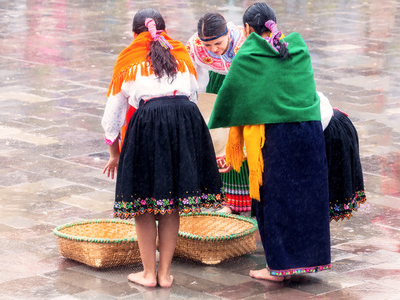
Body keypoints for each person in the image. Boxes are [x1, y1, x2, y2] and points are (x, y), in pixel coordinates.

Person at [208, 2, 331, 281]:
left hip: (276, 138)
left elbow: (231, 100)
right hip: (309, 133)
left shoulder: (249, 53)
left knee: (274, 201)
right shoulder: (298, 48)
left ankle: (277, 269)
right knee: (307, 198)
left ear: (247, 29)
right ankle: (311, 262)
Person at [101, 8, 224, 288]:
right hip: (185, 122)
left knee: (143, 203)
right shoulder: (180, 53)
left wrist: (114, 152)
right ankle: (165, 274)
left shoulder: (129, 60)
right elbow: (194, 92)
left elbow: (113, 114)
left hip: (149, 124)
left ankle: (148, 274)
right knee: (172, 202)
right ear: (164, 30)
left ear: (135, 34)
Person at [186, 13, 251, 214]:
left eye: (218, 43)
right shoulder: (195, 45)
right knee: (218, 139)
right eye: (208, 46)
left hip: (242, 88)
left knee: (240, 139)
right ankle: (223, 199)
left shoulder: (244, 42)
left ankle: (245, 200)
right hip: (216, 87)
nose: (214, 49)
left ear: (227, 34)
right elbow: (190, 73)